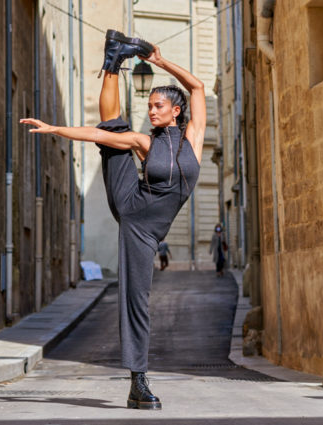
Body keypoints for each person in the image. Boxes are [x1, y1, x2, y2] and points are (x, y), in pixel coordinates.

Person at [20, 29, 206, 411]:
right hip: (133, 211)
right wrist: (56, 129)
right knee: (111, 132)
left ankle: (114, 56)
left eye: (159, 106)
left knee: (114, 125)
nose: (152, 110)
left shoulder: (193, 140)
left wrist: (160, 61)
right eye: (150, 105)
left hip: (152, 228)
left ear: (176, 111)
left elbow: (198, 86)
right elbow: (93, 134)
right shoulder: (145, 143)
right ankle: (138, 380)